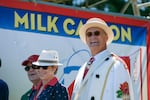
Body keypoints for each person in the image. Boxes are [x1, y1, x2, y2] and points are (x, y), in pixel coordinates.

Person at [71, 18, 134, 100]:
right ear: (86, 40)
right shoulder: (82, 69)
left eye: (97, 33)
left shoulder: (116, 65)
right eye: (89, 34)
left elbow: (124, 98)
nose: (93, 37)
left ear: (106, 37)